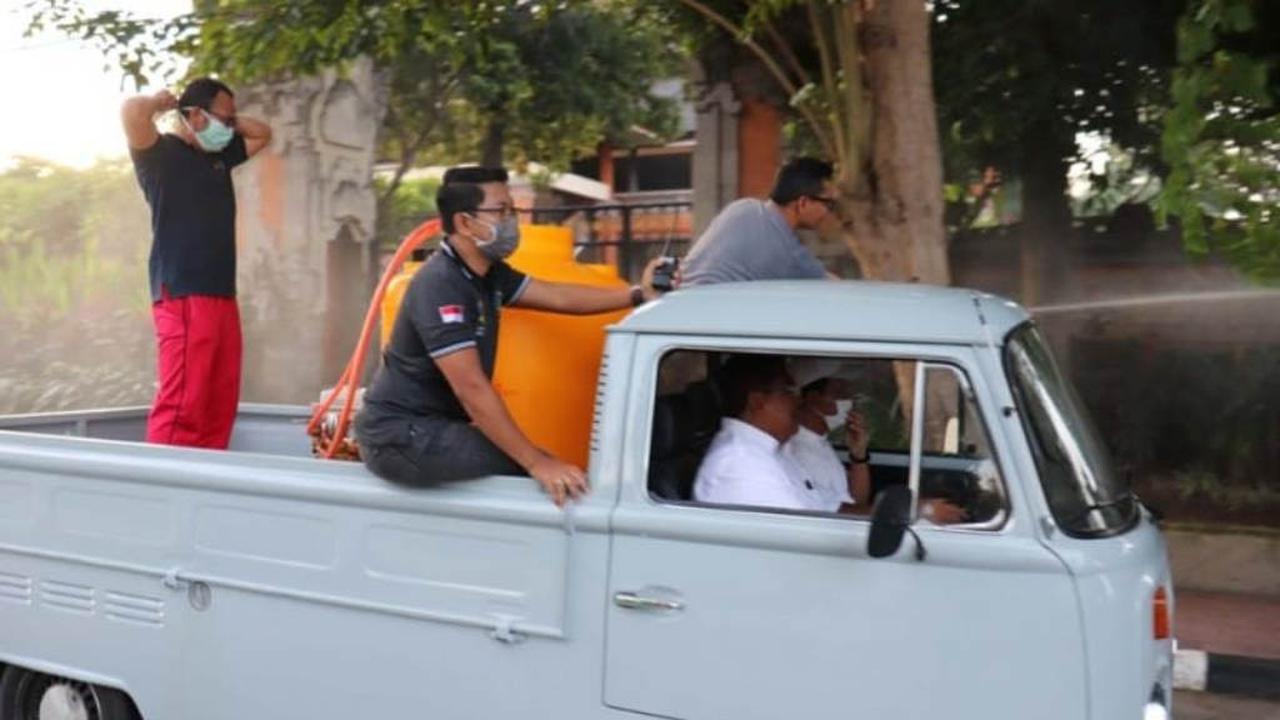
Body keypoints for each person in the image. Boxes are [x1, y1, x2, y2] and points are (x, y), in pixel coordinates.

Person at [357, 166, 671, 506]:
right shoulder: (440, 285)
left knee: (534, 460)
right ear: (465, 222)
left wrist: (639, 294)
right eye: (501, 211)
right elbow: (471, 388)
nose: (512, 221)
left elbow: (557, 296)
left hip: (435, 429)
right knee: (530, 470)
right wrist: (538, 463)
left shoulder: (488, 275)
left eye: (513, 210)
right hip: (400, 437)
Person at [122, 78, 273, 449]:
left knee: (218, 402)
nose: (229, 126)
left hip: (222, 293)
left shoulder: (218, 158)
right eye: (223, 117)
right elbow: (130, 113)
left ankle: (206, 487)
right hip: (184, 293)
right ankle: (162, 491)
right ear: (195, 115)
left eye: (230, 119)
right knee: (183, 405)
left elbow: (263, 134)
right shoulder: (160, 155)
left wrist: (227, 121)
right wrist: (159, 102)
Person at [693, 355, 833, 511]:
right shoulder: (741, 463)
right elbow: (805, 531)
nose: (798, 401)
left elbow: (824, 506)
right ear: (757, 402)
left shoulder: (774, 450)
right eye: (788, 392)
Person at [681, 157, 839, 286]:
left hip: (678, 304)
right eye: (828, 204)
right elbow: (834, 289)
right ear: (803, 203)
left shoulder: (741, 207)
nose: (829, 213)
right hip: (715, 319)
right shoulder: (791, 256)